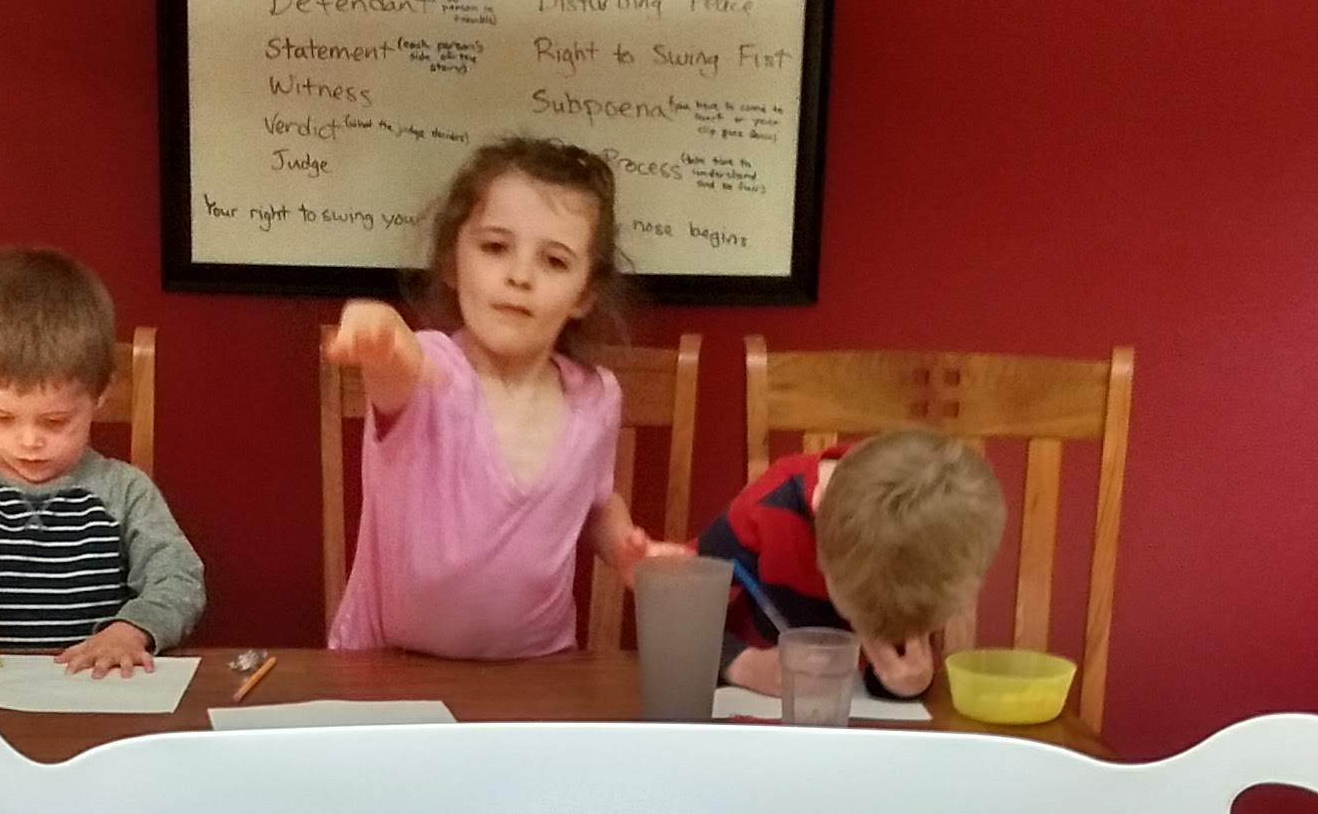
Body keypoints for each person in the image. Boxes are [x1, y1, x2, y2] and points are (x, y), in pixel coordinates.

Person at [326, 137, 684, 658]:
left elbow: (595, 501)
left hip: (538, 673)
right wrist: (377, 326)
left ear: (584, 293)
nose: (519, 276)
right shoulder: (427, 369)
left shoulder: (597, 396)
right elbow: (394, 358)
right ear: (453, 262)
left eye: (555, 262)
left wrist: (626, 548)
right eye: (495, 248)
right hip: (390, 671)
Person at [0, 247, 205, 677]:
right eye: (2, 417)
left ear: (99, 395)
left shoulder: (125, 491)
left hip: (96, 695)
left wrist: (132, 630)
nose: (29, 441)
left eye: (55, 421)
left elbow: (179, 578)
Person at [698, 427, 1006, 700]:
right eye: (859, 615)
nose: (869, 631)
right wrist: (742, 665)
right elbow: (676, 625)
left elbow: (890, 674)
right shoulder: (764, 511)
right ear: (817, 518)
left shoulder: (930, 548)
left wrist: (909, 683)